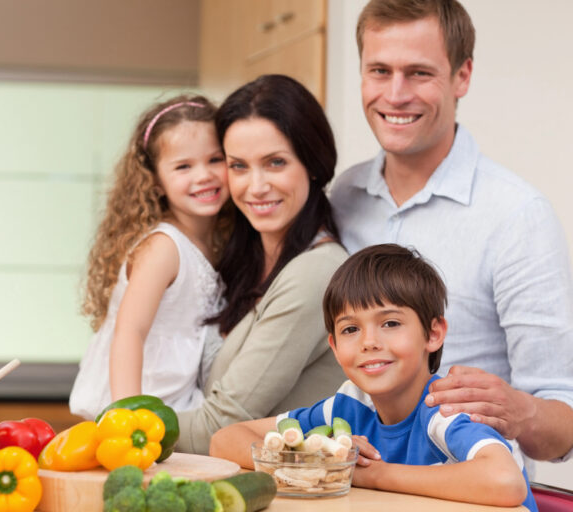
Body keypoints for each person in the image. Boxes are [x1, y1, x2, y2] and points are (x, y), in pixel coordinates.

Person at [329, 0, 573, 462]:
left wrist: (517, 412)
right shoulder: (342, 199)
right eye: (379, 70)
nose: (395, 94)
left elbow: (565, 424)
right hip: (354, 490)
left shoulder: (518, 215)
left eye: (419, 73)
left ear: (462, 76)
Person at [210, 244, 538, 511]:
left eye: (391, 323)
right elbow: (225, 441)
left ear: (433, 333)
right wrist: (317, 453)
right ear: (335, 347)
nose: (369, 342)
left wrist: (372, 475)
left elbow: (505, 481)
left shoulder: (447, 409)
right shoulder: (350, 405)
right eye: (351, 329)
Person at [175, 74, 347, 454]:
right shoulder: (247, 262)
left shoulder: (315, 273)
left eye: (275, 163)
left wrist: (114, 422)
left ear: (313, 164)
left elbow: (218, 428)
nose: (255, 186)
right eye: (238, 166)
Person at [69, 95, 232, 419]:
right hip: (136, 406)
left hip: (173, 405)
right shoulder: (164, 248)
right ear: (155, 182)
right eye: (183, 166)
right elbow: (130, 332)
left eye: (215, 159)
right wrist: (127, 418)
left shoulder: (214, 239)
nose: (204, 175)